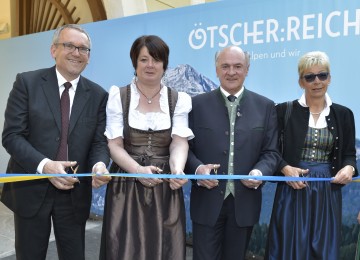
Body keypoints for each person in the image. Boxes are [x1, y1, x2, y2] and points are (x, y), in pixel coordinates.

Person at [1, 24, 111, 260]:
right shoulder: (27, 83)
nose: (76, 52)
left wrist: (99, 165)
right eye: (69, 45)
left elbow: (99, 144)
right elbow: (11, 136)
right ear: (53, 50)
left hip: (74, 193)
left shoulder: (99, 95)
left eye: (83, 49)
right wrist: (45, 165)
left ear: (89, 57)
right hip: (31, 188)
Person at [100, 35, 194, 260]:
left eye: (156, 59)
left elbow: (179, 142)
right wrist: (137, 170)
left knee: (164, 246)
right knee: (124, 247)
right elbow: (114, 145)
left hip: (164, 186)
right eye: (144, 59)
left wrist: (178, 168)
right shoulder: (119, 96)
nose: (150, 65)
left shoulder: (177, 99)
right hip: (126, 183)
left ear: (164, 64)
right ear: (135, 63)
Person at [185, 45, 279, 260]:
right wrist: (198, 169)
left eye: (238, 66)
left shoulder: (265, 107)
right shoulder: (196, 105)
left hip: (244, 205)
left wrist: (259, 173)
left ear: (247, 69)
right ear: (216, 70)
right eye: (225, 66)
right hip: (206, 204)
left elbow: (271, 152)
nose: (231, 72)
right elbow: (184, 148)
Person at [265, 51, 358, 260]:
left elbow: (349, 154)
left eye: (322, 75)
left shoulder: (343, 114)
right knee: (288, 247)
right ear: (301, 81)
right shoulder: (283, 111)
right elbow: (270, 150)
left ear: (330, 78)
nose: (317, 82)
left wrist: (349, 168)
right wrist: (284, 168)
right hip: (293, 190)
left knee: (323, 248)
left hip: (327, 190)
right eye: (310, 77)